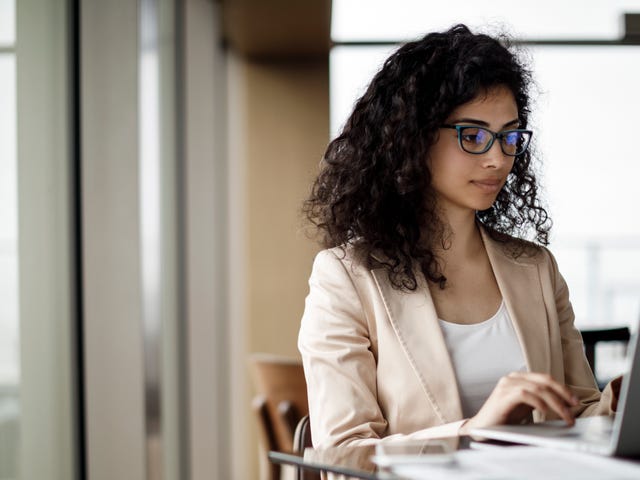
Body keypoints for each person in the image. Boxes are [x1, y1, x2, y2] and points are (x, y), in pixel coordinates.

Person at [298, 24, 619, 449]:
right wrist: (473, 431)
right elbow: (342, 457)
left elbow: (578, 417)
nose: (497, 158)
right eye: (473, 135)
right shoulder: (346, 278)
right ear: (411, 138)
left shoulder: (537, 269)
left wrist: (621, 400)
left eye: (509, 136)